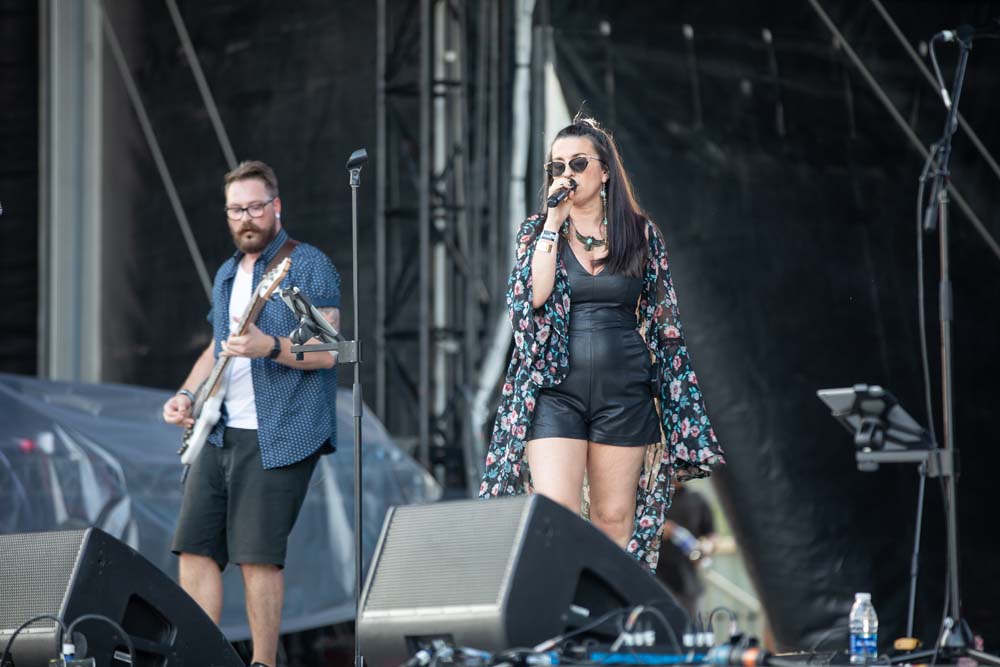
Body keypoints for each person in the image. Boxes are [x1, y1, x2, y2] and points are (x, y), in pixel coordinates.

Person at [480, 116, 725, 570]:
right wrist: (553, 222)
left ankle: (606, 611)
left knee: (613, 520)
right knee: (556, 515)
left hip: (624, 392)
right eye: (556, 167)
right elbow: (532, 297)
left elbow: (666, 324)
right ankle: (560, 611)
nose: (566, 175)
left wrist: (674, 402)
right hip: (556, 391)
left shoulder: (641, 234)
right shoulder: (538, 232)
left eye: (578, 163)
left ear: (605, 170)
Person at [161, 160, 340, 667]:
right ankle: (202, 658)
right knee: (194, 549)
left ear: (276, 206)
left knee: (257, 557)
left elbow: (328, 349)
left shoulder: (306, 264)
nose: (246, 218)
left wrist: (270, 346)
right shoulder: (226, 274)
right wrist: (188, 394)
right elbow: (218, 346)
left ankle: (264, 663)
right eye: (235, 210)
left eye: (255, 207)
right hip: (220, 431)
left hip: (279, 431)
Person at [655, 482, 717, 618]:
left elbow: (710, 534)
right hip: (654, 580)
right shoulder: (649, 500)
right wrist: (655, 530)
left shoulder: (696, 499)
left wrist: (706, 547)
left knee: (688, 625)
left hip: (687, 582)